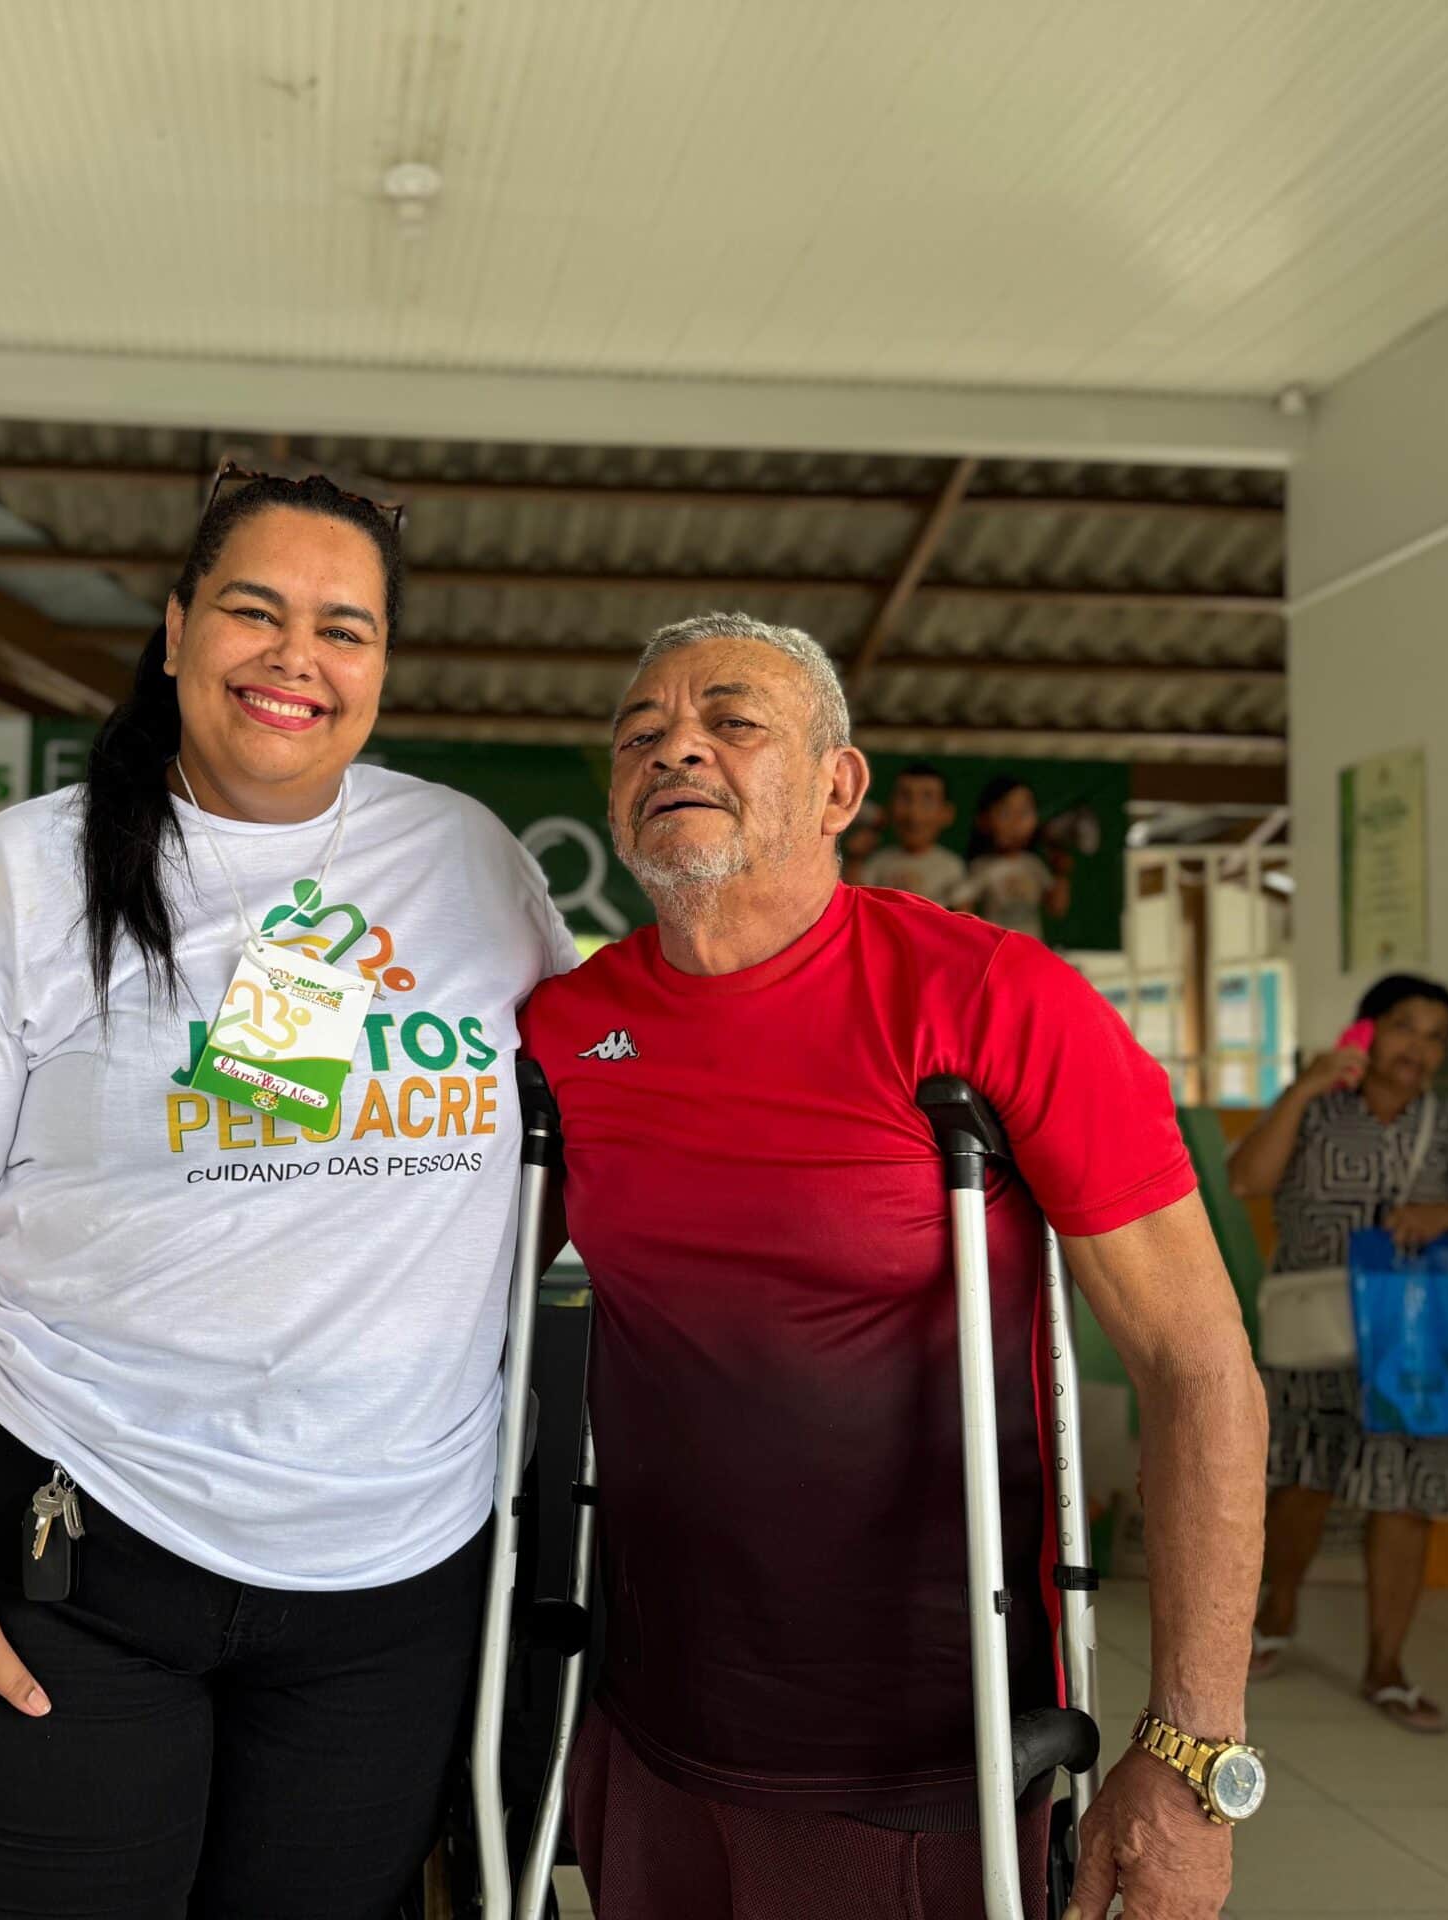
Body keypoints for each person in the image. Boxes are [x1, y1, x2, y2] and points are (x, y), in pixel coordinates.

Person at [0, 465, 576, 1917]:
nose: (298, 658)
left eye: (345, 629)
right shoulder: (18, 882)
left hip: (393, 1576)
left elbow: (614, 1081)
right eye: (255, 611)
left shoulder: (467, 861)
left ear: (383, 668)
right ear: (174, 633)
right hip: (81, 1549)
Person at [519, 613, 1268, 1920]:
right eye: (639, 735)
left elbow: (1196, 1365)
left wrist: (1190, 1754)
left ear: (838, 785)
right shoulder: (571, 1028)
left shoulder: (991, 1000)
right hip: (648, 1719)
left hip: (923, 1744)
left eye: (731, 722)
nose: (672, 749)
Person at [1227, 974, 1448, 1734]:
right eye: (1405, 1028)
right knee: (1303, 1482)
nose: (1419, 1050)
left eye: (1436, 1037)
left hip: (1415, 1343)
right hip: (1318, 1340)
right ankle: (1277, 1613)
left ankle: (1387, 1666)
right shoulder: (1318, 1112)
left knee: (1408, 1497)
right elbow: (1245, 1179)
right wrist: (1303, 1088)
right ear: (1366, 1031)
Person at [950, 774, 1070, 939]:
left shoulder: (1033, 865)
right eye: (1006, 813)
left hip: (1031, 950)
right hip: (999, 950)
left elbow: (1057, 908)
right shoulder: (983, 866)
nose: (1016, 822)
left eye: (1025, 812)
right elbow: (962, 904)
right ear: (984, 820)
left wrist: (1061, 873)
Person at [854, 760, 966, 900]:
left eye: (927, 800)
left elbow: (961, 915)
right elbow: (857, 904)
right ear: (890, 808)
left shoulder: (951, 868)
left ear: (946, 814)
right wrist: (855, 859)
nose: (914, 814)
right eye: (905, 798)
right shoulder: (877, 864)